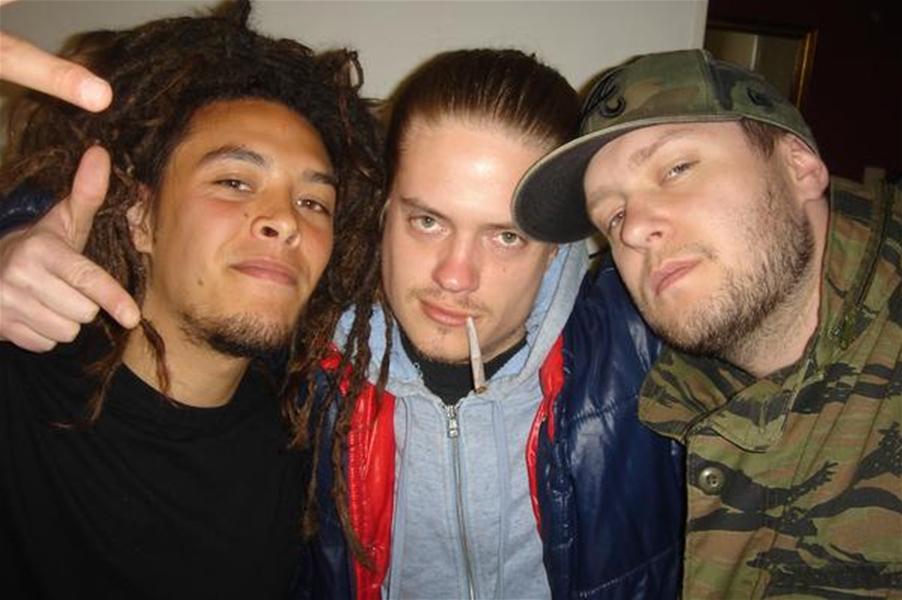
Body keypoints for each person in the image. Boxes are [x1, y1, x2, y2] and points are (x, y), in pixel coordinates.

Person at [0, 1, 384, 597]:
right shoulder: (20, 388)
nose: (286, 221)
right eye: (234, 182)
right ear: (140, 219)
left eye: (314, 202)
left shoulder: (314, 446)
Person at [514, 48, 901, 598]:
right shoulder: (662, 388)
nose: (634, 229)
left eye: (677, 169)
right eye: (613, 215)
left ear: (799, 165)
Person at [306, 50, 684, 599]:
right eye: (428, 221)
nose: (455, 276)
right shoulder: (305, 376)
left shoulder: (645, 355)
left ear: (555, 248)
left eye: (506, 236)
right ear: (384, 209)